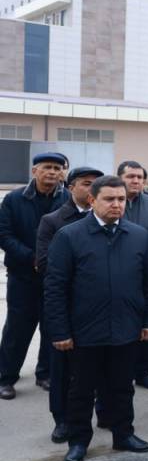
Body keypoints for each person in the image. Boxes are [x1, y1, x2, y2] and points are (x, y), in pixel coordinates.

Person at [44, 175, 148, 461]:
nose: (116, 204)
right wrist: (60, 331)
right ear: (92, 200)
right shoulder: (69, 236)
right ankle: (79, 441)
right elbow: (55, 288)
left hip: (126, 328)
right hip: (84, 330)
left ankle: (123, 434)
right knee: (81, 389)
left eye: (121, 199)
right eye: (109, 199)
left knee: (122, 387)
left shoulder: (139, 236)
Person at [35, 166, 103, 443]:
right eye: (86, 183)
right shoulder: (53, 221)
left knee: (103, 368)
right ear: (71, 187)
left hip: (103, 308)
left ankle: (107, 415)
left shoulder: (110, 218)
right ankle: (62, 420)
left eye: (96, 184)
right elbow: (44, 263)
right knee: (63, 370)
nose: (91, 188)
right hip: (69, 307)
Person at [0, 152, 69, 400]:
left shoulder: (67, 199)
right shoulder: (14, 199)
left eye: (57, 168)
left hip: (55, 276)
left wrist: (52, 261)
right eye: (47, 167)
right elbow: (4, 235)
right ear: (34, 171)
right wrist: (32, 258)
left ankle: (45, 374)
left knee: (52, 326)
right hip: (23, 276)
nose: (52, 172)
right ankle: (6, 377)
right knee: (17, 329)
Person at [117, 160, 148, 390]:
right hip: (117, 272)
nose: (135, 181)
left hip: (147, 273)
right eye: (130, 176)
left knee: (146, 322)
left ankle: (143, 372)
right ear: (119, 178)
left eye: (139, 177)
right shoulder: (112, 202)